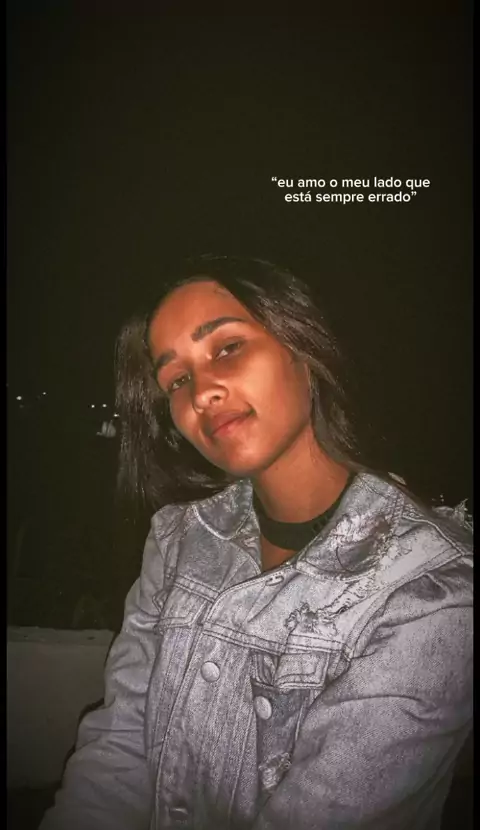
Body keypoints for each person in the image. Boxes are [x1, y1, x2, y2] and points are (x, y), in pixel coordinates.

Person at [40, 256, 473, 830]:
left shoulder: (429, 590)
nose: (201, 393)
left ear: (303, 349)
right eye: (177, 380)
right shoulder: (178, 539)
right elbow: (120, 746)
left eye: (226, 348)